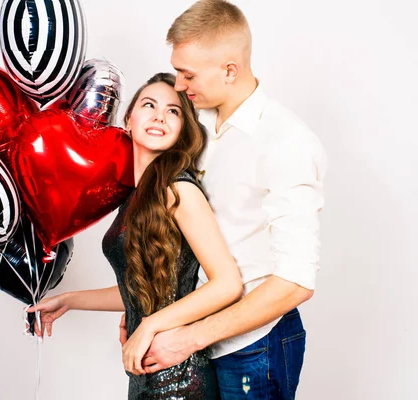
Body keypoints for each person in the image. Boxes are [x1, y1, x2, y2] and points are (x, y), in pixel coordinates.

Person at [130, 1, 328, 399]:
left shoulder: (286, 142)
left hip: (257, 346)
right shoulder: (197, 126)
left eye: (188, 75)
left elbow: (295, 282)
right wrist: (142, 311)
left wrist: (186, 338)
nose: (180, 86)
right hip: (201, 341)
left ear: (229, 70)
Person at [27, 72, 243, 399]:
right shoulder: (134, 196)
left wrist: (148, 326)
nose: (159, 115)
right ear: (128, 120)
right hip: (145, 373)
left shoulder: (178, 190)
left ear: (183, 129)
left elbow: (227, 283)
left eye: (174, 111)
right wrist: (70, 300)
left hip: (181, 377)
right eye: (149, 104)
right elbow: (142, 289)